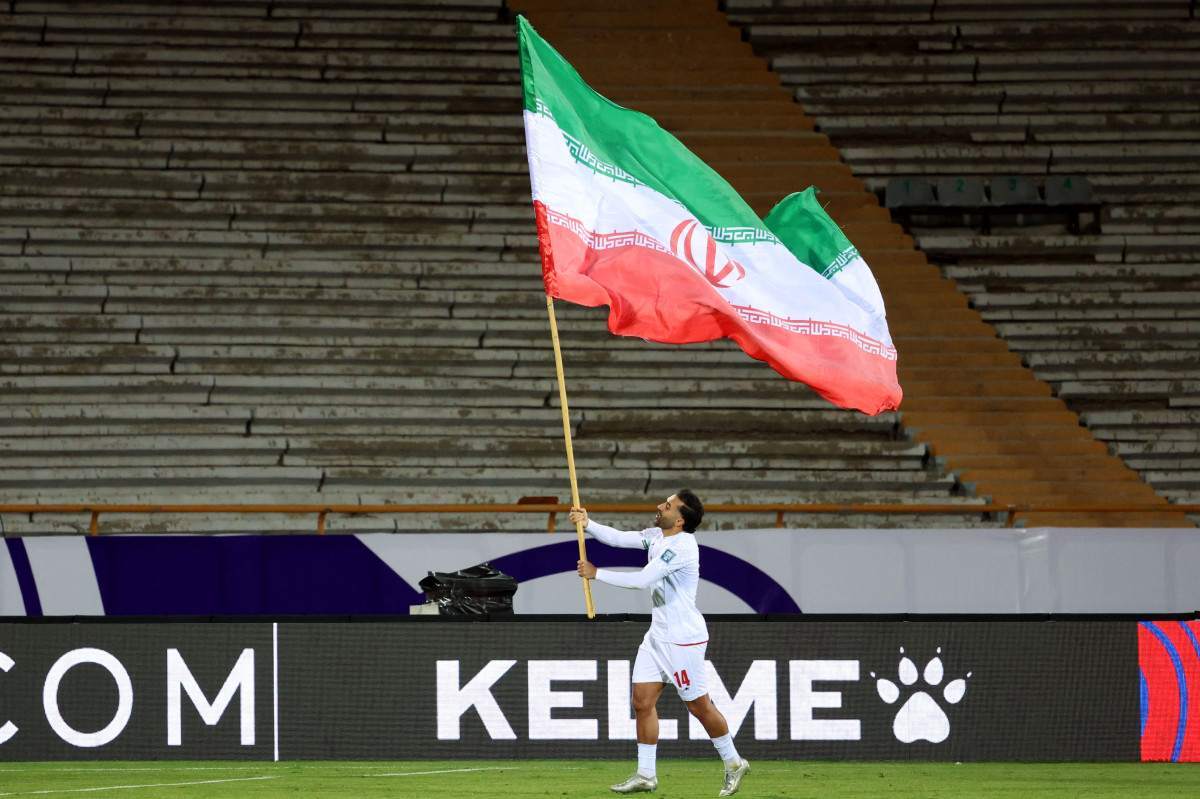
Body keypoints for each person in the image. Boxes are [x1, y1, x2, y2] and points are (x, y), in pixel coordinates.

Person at [572, 490, 750, 797]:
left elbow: (642, 580)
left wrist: (596, 574)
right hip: (657, 637)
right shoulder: (657, 535)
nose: (659, 507)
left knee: (699, 706)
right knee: (642, 702)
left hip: (683, 641)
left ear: (679, 520)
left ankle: (734, 763)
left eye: (667, 506)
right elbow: (620, 538)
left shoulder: (682, 547)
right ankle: (646, 775)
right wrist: (588, 524)